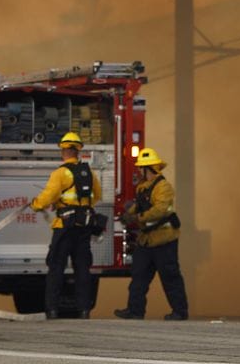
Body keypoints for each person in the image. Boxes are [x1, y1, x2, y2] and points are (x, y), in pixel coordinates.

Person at [31, 131, 102, 319]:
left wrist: (36, 204)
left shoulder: (60, 173)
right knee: (82, 269)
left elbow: (48, 196)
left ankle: (52, 309)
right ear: (78, 151)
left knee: (56, 268)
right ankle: (84, 310)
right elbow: (97, 195)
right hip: (84, 226)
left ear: (64, 150)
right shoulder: (89, 173)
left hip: (64, 227)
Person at [113, 147, 189, 321]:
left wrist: (137, 217)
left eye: (142, 168)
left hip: (164, 240)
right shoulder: (143, 188)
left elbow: (161, 209)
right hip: (147, 241)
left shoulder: (164, 187)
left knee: (170, 277)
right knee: (138, 277)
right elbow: (139, 205)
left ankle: (180, 312)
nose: (139, 171)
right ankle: (135, 311)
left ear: (149, 168)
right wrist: (128, 214)